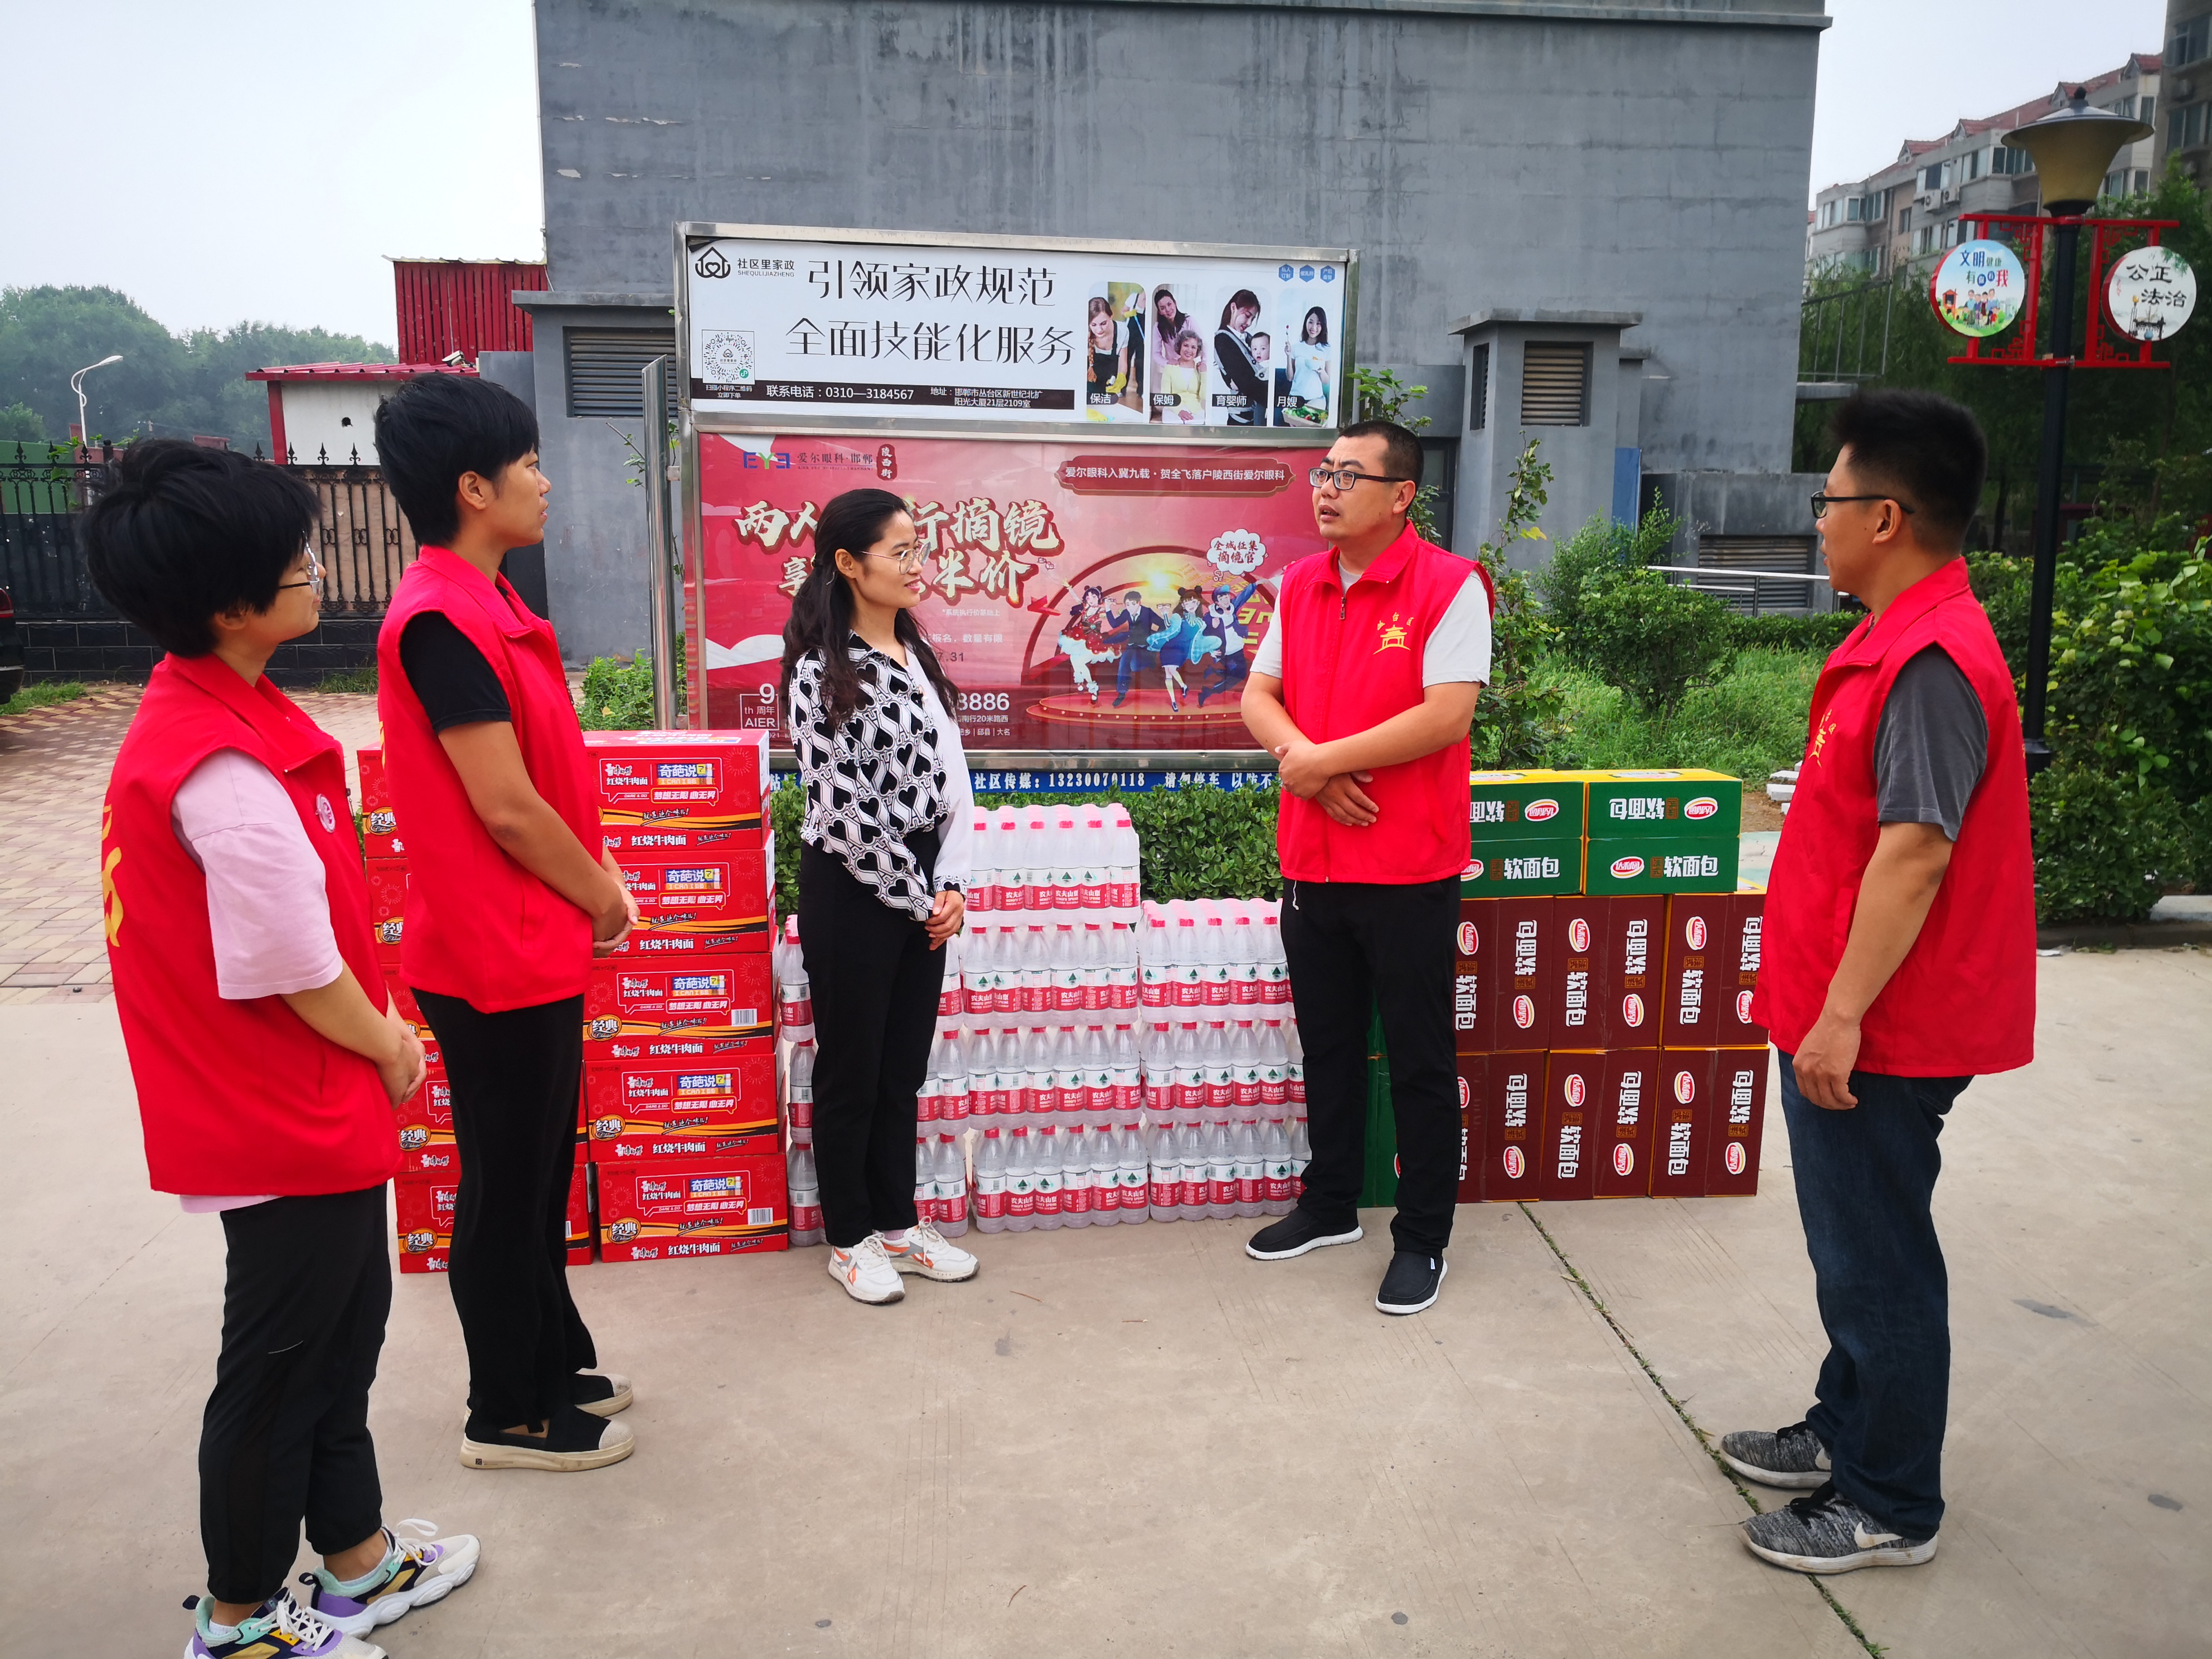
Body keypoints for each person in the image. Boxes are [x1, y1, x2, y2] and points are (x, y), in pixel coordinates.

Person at [85, 440, 479, 1659]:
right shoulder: (214, 764)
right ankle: (243, 1616)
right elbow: (290, 962)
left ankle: (356, 1561)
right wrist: (394, 1044)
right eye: (294, 560)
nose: (314, 573)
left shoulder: (231, 713)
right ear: (229, 603)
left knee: (342, 1336)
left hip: (305, 1100)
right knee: (275, 1370)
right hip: (276, 1107)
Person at [1728, 389, 2034, 1575]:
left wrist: (1840, 1016)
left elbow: (1915, 852)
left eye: (1832, 499)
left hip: (1882, 1028)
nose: (1820, 521)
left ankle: (1890, 1502)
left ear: (1889, 517)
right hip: (1845, 1009)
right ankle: (1843, 1430)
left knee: (1878, 1263)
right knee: (1857, 1247)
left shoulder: (1930, 661)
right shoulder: (1890, 641)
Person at [372, 374, 637, 1474]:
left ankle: (552, 1357)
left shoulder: (491, 609)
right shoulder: (440, 621)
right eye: (526, 464)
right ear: (472, 488)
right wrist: (604, 893)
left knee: (534, 1177)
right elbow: (506, 805)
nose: (542, 480)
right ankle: (507, 1407)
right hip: (495, 949)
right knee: (505, 1182)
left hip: (526, 939)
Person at [1238, 419, 1493, 1316]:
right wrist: (1305, 765)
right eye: (1323, 471)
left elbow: (1446, 716)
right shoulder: (1301, 584)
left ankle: (1422, 1238)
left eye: (1350, 474)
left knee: (1421, 1062)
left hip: (1408, 871)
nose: (1328, 487)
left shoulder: (1451, 586)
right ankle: (1329, 1202)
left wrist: (1324, 762)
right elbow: (1257, 694)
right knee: (1330, 1048)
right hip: (1314, 863)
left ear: (1401, 495)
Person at [780, 488, 981, 1305]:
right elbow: (841, 808)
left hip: (924, 888)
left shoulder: (914, 655)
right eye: (898, 551)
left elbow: (957, 780)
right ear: (847, 563)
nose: (915, 564)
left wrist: (953, 883)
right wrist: (915, 895)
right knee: (853, 1071)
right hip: (856, 888)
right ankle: (850, 1236)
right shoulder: (818, 673)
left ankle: (900, 1225)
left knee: (902, 1068)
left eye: (915, 547)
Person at [1146, 586, 1215, 712]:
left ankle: (1184, 686)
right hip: (1169, 647)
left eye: (1194, 602)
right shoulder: (1180, 619)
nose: (1191, 605)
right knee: (1168, 673)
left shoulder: (1200, 623)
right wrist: (1165, 614)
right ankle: (1173, 701)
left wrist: (1211, 650)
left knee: (1171, 670)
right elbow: (1169, 628)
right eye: (1187, 603)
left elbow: (1201, 639)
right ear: (1183, 605)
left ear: (1198, 603)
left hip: (1182, 650)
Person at [1196, 580, 1261, 706]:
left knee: (1235, 674)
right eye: (1221, 597)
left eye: (1226, 596)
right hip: (1224, 652)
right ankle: (1208, 692)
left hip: (1237, 649)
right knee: (1239, 675)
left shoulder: (1231, 608)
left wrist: (1255, 585)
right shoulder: (1210, 617)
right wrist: (1211, 651)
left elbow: (1243, 597)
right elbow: (1203, 636)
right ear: (1217, 602)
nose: (1226, 599)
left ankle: (1213, 672)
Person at [1212, 290, 1267, 425]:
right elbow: (1246, 383)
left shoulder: (1248, 338)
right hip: (1241, 419)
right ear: (1233, 308)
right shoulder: (1222, 339)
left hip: (1256, 415)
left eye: (1253, 319)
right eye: (1247, 316)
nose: (1249, 323)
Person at [1102, 589, 1163, 707]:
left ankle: (1151, 660)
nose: (1130, 607)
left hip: (1146, 645)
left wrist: (1154, 638)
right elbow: (1115, 624)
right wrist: (1108, 608)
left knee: (1135, 666)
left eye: (1133, 604)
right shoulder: (1126, 613)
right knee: (1123, 664)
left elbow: (1162, 623)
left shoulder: (1147, 612)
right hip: (1132, 643)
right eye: (1128, 604)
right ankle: (1121, 693)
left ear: (1139, 603)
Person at [1282, 307, 1334, 427]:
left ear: (1323, 326)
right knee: (1296, 425)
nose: (1314, 327)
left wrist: (1320, 371)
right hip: (1295, 399)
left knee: (1306, 425)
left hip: (1316, 399)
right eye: (1311, 322)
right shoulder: (1296, 347)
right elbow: (1290, 377)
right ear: (1306, 322)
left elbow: (1326, 381)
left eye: (1318, 324)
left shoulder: (1326, 349)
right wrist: (1288, 356)